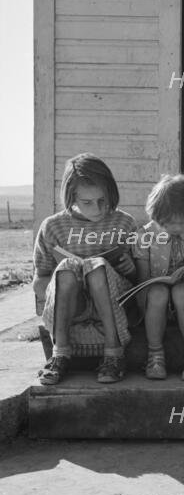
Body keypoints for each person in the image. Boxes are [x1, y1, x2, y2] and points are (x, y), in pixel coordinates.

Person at [34, 153, 137, 384]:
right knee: (68, 267)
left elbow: (138, 279)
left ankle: (114, 354)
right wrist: (59, 283)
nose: (98, 208)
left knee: (96, 265)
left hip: (112, 298)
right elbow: (39, 281)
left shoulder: (125, 223)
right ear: (71, 198)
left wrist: (130, 269)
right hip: (72, 302)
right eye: (87, 202)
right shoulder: (53, 227)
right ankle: (59, 354)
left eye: (103, 200)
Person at [133, 174, 184, 380]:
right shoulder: (145, 236)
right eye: (168, 223)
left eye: (182, 222)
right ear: (157, 216)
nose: (175, 228)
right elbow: (142, 280)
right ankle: (155, 356)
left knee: (181, 291)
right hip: (155, 304)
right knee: (157, 292)